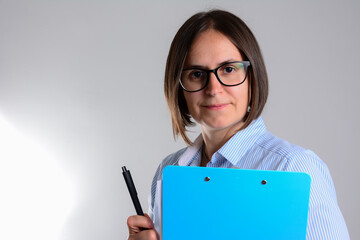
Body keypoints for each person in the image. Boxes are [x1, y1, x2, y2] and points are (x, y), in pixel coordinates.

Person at [127, 9, 350, 240]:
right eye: (196, 73)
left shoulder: (294, 168)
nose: (213, 89)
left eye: (229, 69)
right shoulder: (169, 171)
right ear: (178, 85)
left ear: (252, 78)